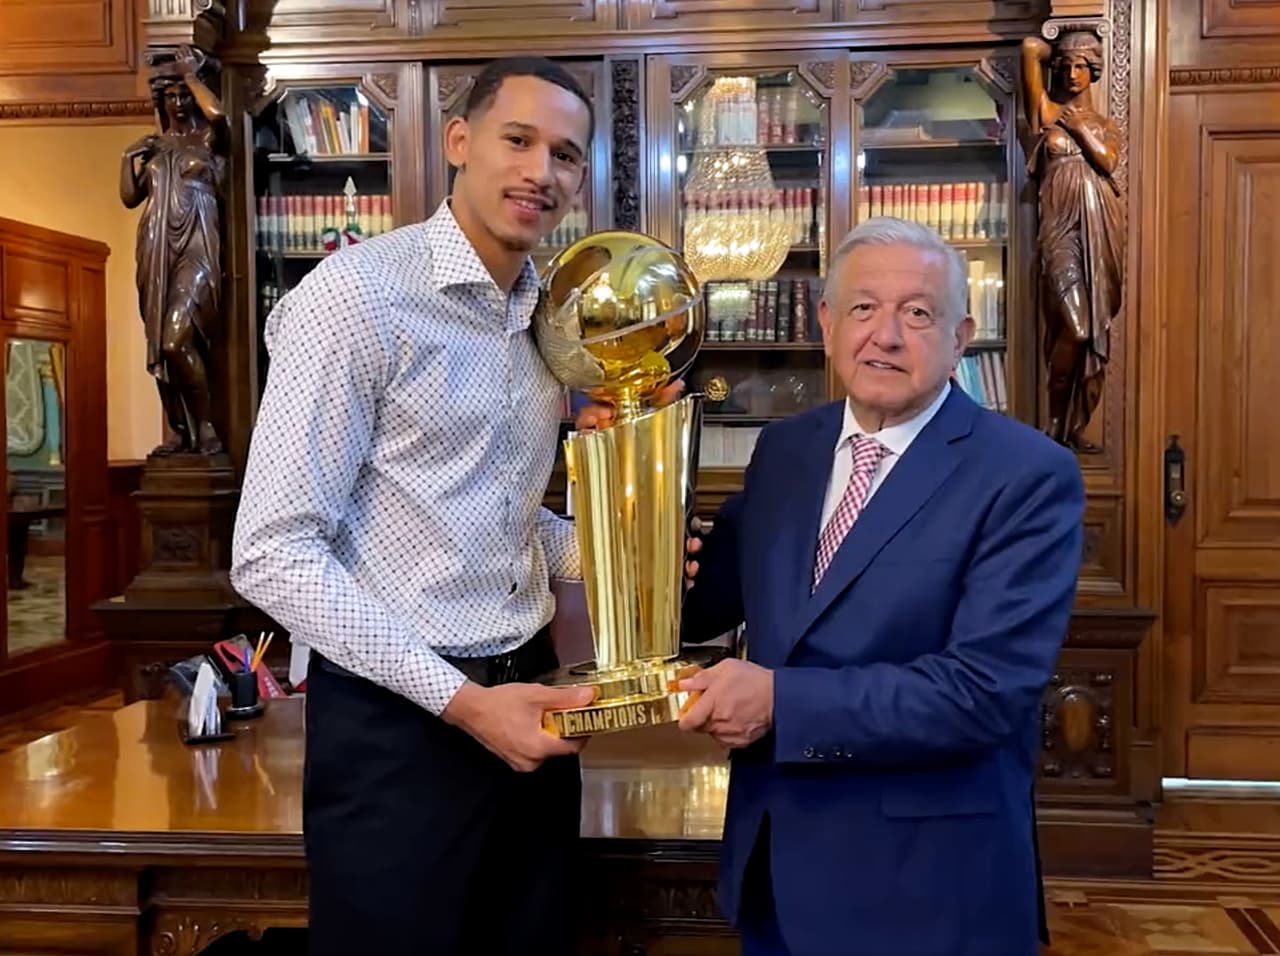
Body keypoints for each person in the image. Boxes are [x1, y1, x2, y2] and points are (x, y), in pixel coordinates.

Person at [232, 56, 630, 956]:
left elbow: (501, 514)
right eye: (518, 139)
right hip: (397, 731)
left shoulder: (543, 319)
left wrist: (611, 546)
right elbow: (272, 551)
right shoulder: (354, 298)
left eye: (566, 155)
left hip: (529, 696)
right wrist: (459, 703)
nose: (542, 171)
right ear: (459, 141)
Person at [676, 217, 1084, 956]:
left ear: (960, 336)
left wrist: (779, 702)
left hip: (925, 890)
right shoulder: (787, 450)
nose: (885, 335)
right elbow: (706, 600)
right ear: (828, 324)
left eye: (917, 313)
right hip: (773, 864)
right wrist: (636, 537)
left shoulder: (1026, 475)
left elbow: (982, 692)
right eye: (863, 308)